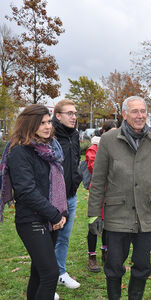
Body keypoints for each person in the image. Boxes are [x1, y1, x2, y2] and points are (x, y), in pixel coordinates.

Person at [88, 96, 151, 300]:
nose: (140, 115)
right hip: (117, 215)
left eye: (143, 111)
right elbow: (98, 181)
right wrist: (93, 215)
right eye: (135, 111)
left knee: (143, 266)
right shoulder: (109, 140)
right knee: (114, 266)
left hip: (146, 215)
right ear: (124, 114)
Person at [0, 104, 67, 300]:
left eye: (48, 122)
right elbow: (26, 191)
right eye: (42, 123)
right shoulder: (20, 151)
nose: (48, 127)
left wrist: (59, 213)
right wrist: (55, 214)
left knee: (39, 272)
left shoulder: (49, 148)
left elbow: (56, 185)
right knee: (50, 274)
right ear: (30, 125)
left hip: (51, 218)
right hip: (31, 219)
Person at [52, 99, 82, 290]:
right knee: (48, 240)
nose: (73, 117)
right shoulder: (50, 135)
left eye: (75, 113)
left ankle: (60, 273)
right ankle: (46, 281)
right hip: (53, 198)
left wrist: (76, 180)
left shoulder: (75, 135)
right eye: (69, 113)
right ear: (58, 116)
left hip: (71, 196)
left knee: (64, 238)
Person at [86, 120, 117, 272]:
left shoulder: (118, 147)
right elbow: (94, 168)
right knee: (94, 224)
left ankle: (106, 252)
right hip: (98, 193)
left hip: (113, 192)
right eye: (110, 132)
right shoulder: (94, 148)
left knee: (109, 225)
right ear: (103, 132)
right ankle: (92, 256)